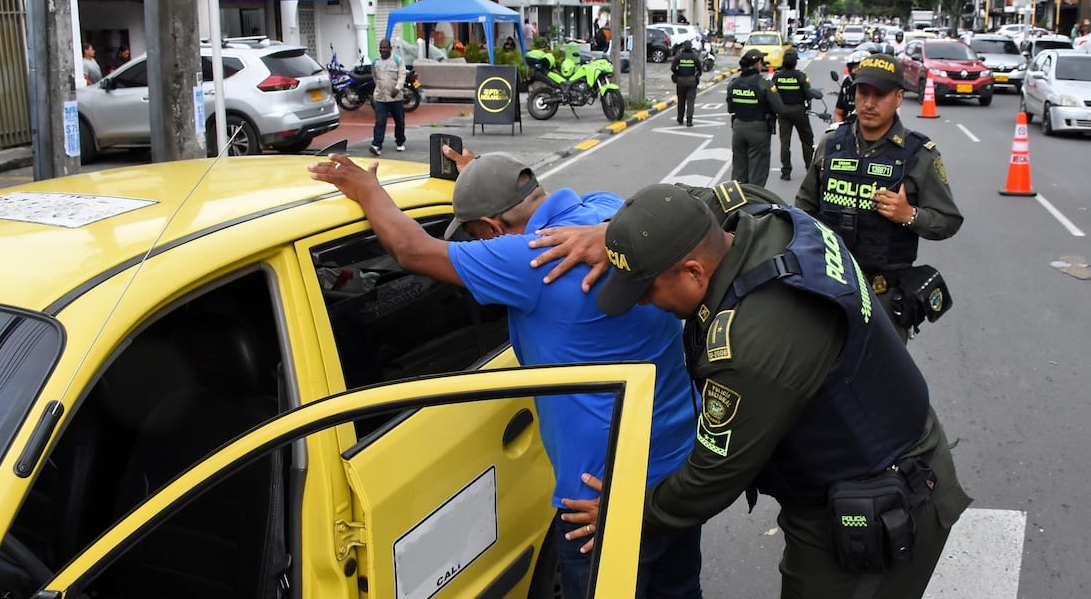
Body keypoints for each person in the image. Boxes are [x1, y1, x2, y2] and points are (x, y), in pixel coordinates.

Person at [308, 151, 702, 599]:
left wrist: (367, 190)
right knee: (680, 589)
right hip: (676, 462)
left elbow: (412, 250)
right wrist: (483, 176)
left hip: (600, 495)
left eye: (478, 237)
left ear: (493, 229)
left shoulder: (532, 258)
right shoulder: (606, 212)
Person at [557, 182, 971, 599]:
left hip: (881, 501)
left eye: (646, 289)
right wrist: (615, 235)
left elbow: (711, 477)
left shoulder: (751, 347)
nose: (644, 302)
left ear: (694, 271)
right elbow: (694, 200)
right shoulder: (765, 217)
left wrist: (625, 513)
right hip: (862, 459)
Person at [795, 53, 963, 343]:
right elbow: (803, 209)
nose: (869, 104)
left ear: (898, 98)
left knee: (879, 384)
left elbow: (948, 220)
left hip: (883, 299)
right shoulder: (832, 143)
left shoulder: (919, 154)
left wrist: (909, 215)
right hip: (828, 291)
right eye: (863, 93)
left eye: (880, 95)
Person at [727, 48, 781, 187]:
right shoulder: (763, 83)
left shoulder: (734, 83)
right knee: (757, 173)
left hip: (738, 128)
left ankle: (736, 205)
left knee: (738, 172)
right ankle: (754, 205)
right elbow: (779, 107)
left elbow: (730, 108)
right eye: (761, 61)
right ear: (757, 63)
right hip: (758, 129)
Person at [771, 48, 816, 181]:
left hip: (783, 112)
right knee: (807, 140)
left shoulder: (777, 76)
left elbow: (773, 94)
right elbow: (808, 94)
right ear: (796, 62)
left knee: (785, 142)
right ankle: (809, 169)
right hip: (799, 111)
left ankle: (786, 172)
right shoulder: (801, 76)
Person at [370, 38, 407, 154]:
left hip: (396, 97)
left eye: (385, 48)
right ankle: (377, 145)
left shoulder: (397, 60)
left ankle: (400, 141)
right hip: (381, 97)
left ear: (390, 48)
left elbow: (402, 75)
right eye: (381, 48)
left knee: (399, 121)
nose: (383, 50)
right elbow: (375, 77)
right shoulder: (375, 61)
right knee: (380, 122)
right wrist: (380, 88)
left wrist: (397, 87)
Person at [832, 50, 870, 124]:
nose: (858, 71)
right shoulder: (847, 84)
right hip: (848, 128)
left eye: (862, 68)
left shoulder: (878, 86)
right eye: (856, 68)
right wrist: (839, 128)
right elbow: (838, 113)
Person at [670, 41, 702, 127]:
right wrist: (697, 75)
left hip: (680, 81)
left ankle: (680, 118)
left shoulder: (679, 57)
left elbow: (673, 68)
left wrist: (677, 73)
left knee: (681, 101)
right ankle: (689, 120)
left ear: (683, 47)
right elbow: (700, 68)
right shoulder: (694, 57)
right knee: (690, 102)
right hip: (692, 81)